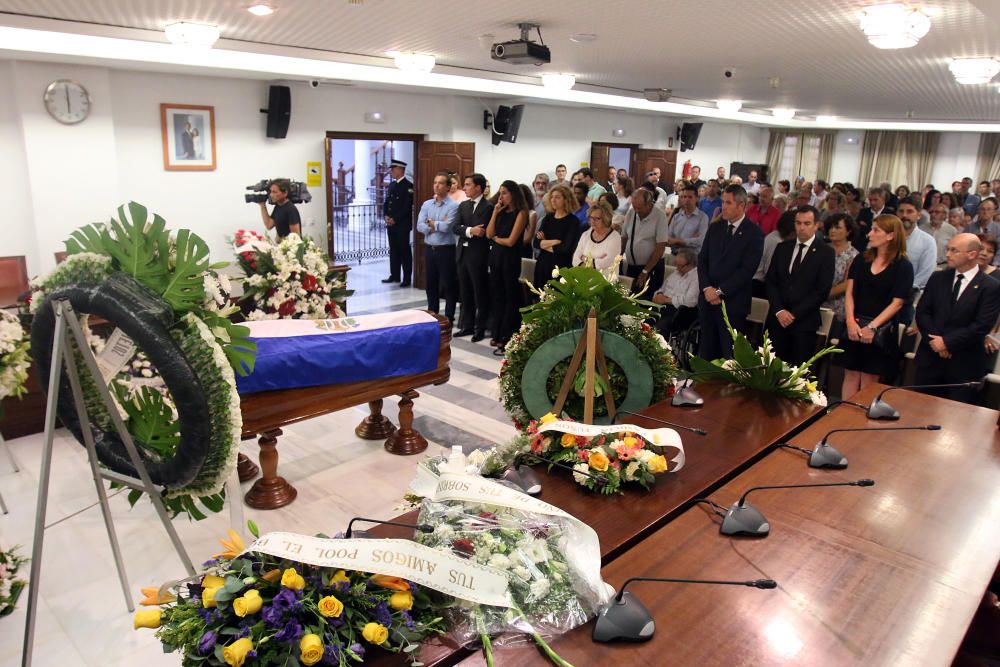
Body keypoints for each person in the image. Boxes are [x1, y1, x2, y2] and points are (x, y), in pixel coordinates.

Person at [913, 233, 1000, 404]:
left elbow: (981, 325)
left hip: (963, 365)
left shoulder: (990, 286)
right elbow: (923, 312)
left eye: (954, 250)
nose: (948, 255)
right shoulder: (938, 277)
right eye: (948, 249)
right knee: (920, 410)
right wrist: (936, 342)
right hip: (930, 361)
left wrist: (947, 342)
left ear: (972, 254)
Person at [838, 215, 914, 397]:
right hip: (855, 322)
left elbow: (897, 303)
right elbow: (849, 292)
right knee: (850, 373)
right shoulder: (861, 260)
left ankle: (860, 421)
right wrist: (850, 321)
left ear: (890, 236)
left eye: (876, 230)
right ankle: (843, 416)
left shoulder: (903, 266)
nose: (869, 234)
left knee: (869, 379)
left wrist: (872, 327)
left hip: (881, 328)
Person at [697, 184, 765, 359]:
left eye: (728, 203)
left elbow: (747, 270)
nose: (723, 207)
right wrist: (707, 288)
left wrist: (719, 291)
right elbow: (703, 260)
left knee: (729, 355)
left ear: (741, 206)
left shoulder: (754, 233)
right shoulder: (715, 227)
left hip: (733, 304)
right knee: (706, 352)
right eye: (723, 202)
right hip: (708, 301)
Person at [764, 205, 836, 366]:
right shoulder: (783, 248)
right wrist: (780, 310)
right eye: (798, 223)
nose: (801, 227)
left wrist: (793, 314)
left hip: (804, 322)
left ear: (816, 225)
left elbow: (822, 290)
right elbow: (771, 281)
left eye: (807, 223)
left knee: (796, 372)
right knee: (769, 368)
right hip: (777, 319)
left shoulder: (826, 253)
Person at [486, 180, 528, 354]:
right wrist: (495, 213)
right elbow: (489, 233)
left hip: (510, 258)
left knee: (510, 296)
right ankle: (497, 332)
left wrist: (497, 239)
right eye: (500, 192)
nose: (501, 196)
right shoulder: (501, 212)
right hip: (496, 257)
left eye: (505, 193)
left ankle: (508, 334)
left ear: (513, 194)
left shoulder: (522, 212)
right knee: (496, 295)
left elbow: (511, 241)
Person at [453, 173, 493, 341]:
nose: (465, 188)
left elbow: (484, 231)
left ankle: (480, 328)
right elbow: (456, 227)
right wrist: (470, 230)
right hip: (463, 253)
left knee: (479, 292)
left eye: (468, 185)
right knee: (465, 291)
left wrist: (467, 229)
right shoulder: (463, 205)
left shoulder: (488, 207)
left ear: (478, 187)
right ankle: (467, 325)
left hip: (478, 255)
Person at [416, 172, 460, 324]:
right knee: (431, 283)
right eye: (435, 182)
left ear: (448, 187)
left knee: (448, 284)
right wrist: (434, 225)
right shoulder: (427, 204)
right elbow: (419, 226)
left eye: (441, 183)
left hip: (446, 250)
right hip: (430, 248)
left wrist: (432, 223)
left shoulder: (453, 206)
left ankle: (449, 315)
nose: (436, 185)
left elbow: (449, 227)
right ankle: (432, 312)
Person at [621, 188, 670, 295]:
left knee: (645, 300)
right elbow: (624, 237)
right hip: (632, 266)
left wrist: (645, 271)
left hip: (651, 268)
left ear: (649, 204)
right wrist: (618, 257)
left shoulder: (659, 216)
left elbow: (660, 247)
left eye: (639, 208)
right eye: (634, 207)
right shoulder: (631, 213)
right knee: (629, 297)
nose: (636, 211)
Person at [533, 184, 581, 289]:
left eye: (557, 197)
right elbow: (536, 243)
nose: (553, 200)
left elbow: (565, 249)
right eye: (552, 197)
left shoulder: (573, 221)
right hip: (543, 264)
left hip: (561, 267)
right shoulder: (548, 218)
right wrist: (555, 241)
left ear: (566, 200)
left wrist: (544, 242)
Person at [822, 213, 860, 340]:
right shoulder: (822, 249)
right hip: (814, 303)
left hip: (838, 309)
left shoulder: (854, 255)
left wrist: (821, 295)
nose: (832, 230)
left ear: (848, 231)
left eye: (837, 227)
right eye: (831, 227)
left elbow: (847, 284)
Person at [652, 248, 699, 337]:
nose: (677, 268)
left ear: (690, 265)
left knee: (658, 328)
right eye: (676, 265)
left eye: (680, 266)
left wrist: (666, 300)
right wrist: (658, 295)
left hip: (680, 312)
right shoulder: (676, 273)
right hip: (662, 306)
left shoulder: (696, 278)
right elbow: (662, 288)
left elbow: (690, 301)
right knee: (644, 319)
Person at [382, 159, 414, 286]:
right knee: (394, 250)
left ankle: (407, 278)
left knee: (404, 251)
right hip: (391, 225)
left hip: (402, 225)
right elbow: (387, 203)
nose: (391, 172)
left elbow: (406, 207)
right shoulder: (392, 185)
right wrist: (386, 216)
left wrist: (395, 218)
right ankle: (394, 275)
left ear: (400, 170)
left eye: (393, 169)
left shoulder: (409, 186)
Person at [753, 210, 796, 298]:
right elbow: (770, 272)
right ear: (792, 233)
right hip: (758, 285)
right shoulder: (776, 242)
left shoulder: (775, 236)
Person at [573, 200, 621, 271]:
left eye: (597, 218)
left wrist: (584, 258)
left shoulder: (615, 237)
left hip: (605, 280)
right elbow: (575, 259)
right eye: (591, 217)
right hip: (585, 278)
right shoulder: (585, 235)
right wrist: (594, 261)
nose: (592, 221)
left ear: (606, 218)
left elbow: (606, 263)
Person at [666, 184, 708, 254]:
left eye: (690, 197)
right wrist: (688, 240)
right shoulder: (677, 216)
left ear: (697, 198)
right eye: (684, 197)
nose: (687, 199)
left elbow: (699, 241)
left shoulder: (702, 217)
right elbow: (668, 237)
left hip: (692, 257)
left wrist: (677, 241)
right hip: (675, 254)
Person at [519, 184, 538, 258]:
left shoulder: (532, 213)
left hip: (524, 248)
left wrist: (514, 243)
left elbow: (529, 236)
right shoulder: (515, 211)